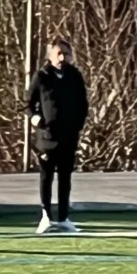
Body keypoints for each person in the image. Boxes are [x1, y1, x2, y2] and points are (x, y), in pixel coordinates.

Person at [26, 37, 88, 234]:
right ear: (50, 56)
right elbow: (28, 104)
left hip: (68, 136)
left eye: (66, 54)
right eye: (59, 53)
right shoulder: (42, 76)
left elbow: (83, 104)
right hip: (47, 137)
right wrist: (35, 119)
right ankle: (46, 216)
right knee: (47, 176)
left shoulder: (75, 76)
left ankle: (63, 217)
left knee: (65, 177)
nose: (62, 57)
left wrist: (77, 125)